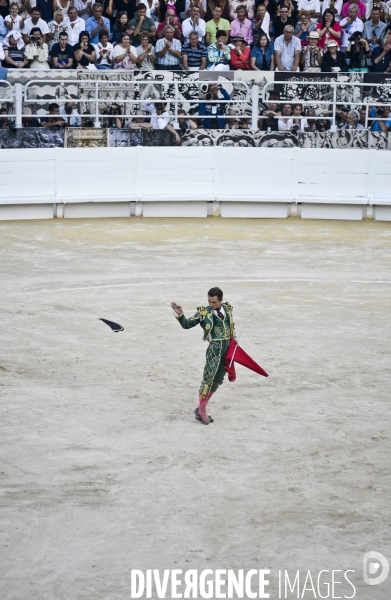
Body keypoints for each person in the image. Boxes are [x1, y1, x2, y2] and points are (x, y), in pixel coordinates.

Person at [171, 287, 237, 425]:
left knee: (218, 380)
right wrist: (180, 315)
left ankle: (201, 408)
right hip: (214, 350)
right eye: (209, 301)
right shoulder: (204, 312)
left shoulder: (228, 309)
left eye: (214, 302)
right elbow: (187, 325)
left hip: (227, 349)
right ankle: (201, 411)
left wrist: (234, 338)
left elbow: (231, 325)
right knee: (208, 380)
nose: (211, 305)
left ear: (221, 300)